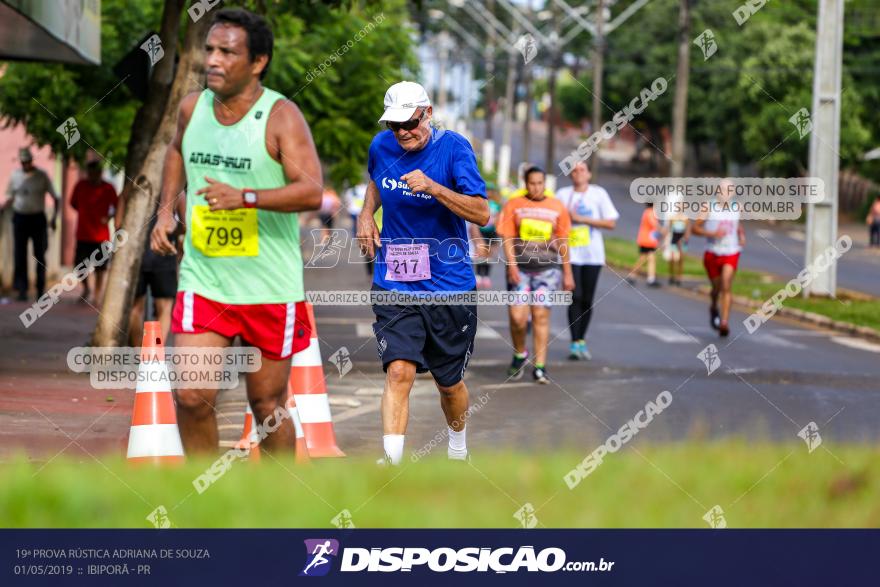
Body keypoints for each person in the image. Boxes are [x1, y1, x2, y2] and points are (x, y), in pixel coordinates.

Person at [150, 8, 322, 454]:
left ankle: (280, 508)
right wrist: (167, 209)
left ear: (258, 62)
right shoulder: (192, 108)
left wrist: (244, 197)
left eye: (228, 52)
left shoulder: (281, 116)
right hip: (205, 279)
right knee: (190, 395)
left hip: (269, 286)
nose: (214, 60)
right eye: (210, 49)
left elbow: (311, 191)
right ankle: (209, 511)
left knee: (266, 405)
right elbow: (175, 150)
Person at [357, 81, 488, 465]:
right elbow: (376, 182)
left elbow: (482, 212)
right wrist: (367, 213)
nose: (402, 133)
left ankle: (458, 446)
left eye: (409, 123)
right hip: (395, 281)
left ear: (427, 114)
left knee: (449, 385)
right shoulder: (381, 147)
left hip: (449, 287)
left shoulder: (454, 149)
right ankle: (392, 462)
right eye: (393, 126)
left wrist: (434, 187)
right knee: (399, 370)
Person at [498, 166, 574, 383]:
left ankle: (540, 366)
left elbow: (563, 242)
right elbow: (507, 237)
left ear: (545, 183)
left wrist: (568, 273)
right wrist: (511, 265)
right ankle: (519, 353)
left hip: (547, 270)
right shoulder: (515, 204)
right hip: (520, 269)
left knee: (541, 315)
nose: (536, 187)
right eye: (532, 183)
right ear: (525, 183)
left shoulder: (556, 207)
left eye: (540, 183)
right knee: (517, 318)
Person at [555, 161, 618, 361]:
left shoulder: (598, 194)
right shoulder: (562, 195)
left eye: (582, 170)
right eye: (574, 170)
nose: (578, 173)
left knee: (587, 299)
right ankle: (574, 342)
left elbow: (610, 222)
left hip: (592, 254)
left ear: (589, 174)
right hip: (569, 254)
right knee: (575, 295)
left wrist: (582, 219)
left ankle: (581, 339)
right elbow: (553, 221)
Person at [691, 179, 745, 337]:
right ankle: (714, 305)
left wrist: (741, 235)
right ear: (718, 191)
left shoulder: (737, 207)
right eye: (723, 190)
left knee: (726, 285)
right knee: (716, 288)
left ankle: (724, 322)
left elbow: (737, 224)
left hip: (731, 251)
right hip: (712, 252)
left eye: (729, 190)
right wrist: (712, 234)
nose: (726, 193)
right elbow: (695, 228)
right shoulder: (708, 207)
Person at [4, 148, 59, 301]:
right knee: (19, 254)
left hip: (37, 219)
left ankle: (40, 289)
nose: (25, 164)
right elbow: (10, 196)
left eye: (27, 161)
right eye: (23, 162)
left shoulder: (42, 176)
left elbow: (56, 197)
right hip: (20, 218)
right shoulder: (15, 176)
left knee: (39, 254)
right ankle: (22, 290)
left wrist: (54, 218)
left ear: (31, 161)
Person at [70, 160, 118, 304]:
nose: (93, 176)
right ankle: (86, 289)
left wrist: (109, 217)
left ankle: (97, 294)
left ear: (100, 173)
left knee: (100, 267)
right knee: (80, 266)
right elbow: (73, 203)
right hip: (83, 234)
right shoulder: (80, 186)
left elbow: (117, 206)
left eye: (96, 173)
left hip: (101, 236)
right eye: (90, 173)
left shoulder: (108, 188)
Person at [468, 182, 502, 289]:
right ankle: (478, 275)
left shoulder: (497, 205)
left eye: (491, 191)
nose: (489, 193)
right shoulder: (482, 203)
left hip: (492, 232)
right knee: (480, 254)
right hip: (481, 230)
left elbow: (499, 217)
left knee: (489, 256)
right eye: (487, 191)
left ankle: (486, 276)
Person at [628, 202, 665, 287]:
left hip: (646, 239)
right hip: (647, 240)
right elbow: (654, 224)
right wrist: (662, 230)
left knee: (646, 258)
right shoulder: (650, 212)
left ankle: (636, 276)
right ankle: (649, 279)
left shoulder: (647, 212)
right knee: (646, 259)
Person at [664, 188, 690, 286]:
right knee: (672, 258)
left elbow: (687, 230)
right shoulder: (673, 217)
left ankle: (679, 277)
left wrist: (686, 238)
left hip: (681, 238)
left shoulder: (685, 218)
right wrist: (666, 240)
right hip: (674, 238)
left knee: (680, 259)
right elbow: (669, 230)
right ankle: (671, 276)